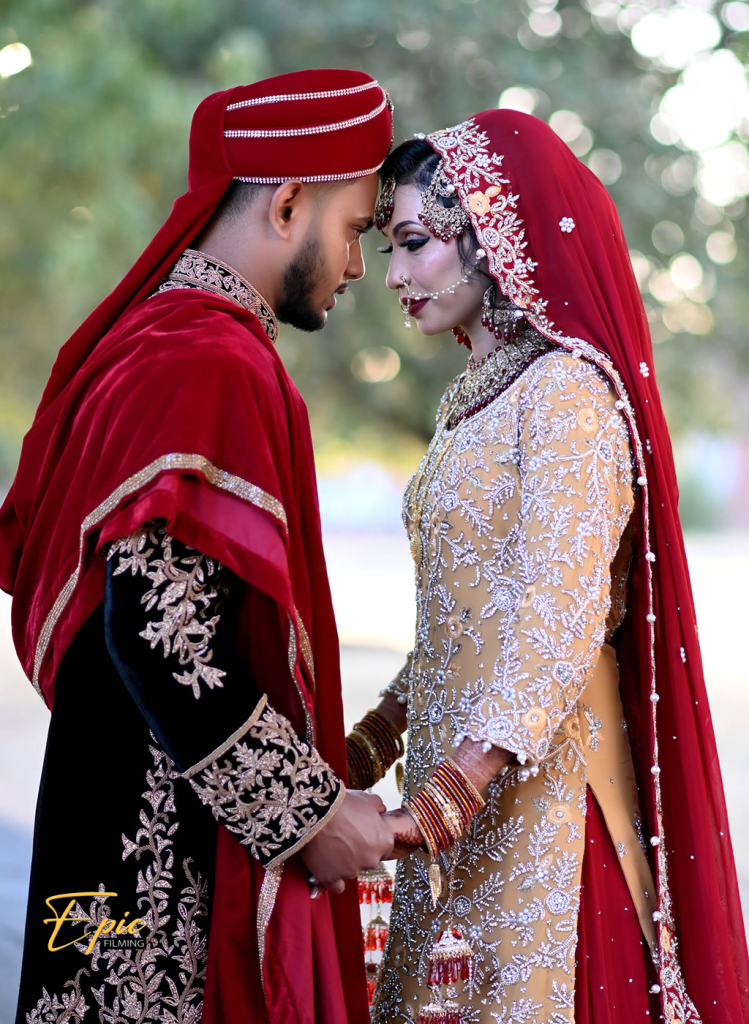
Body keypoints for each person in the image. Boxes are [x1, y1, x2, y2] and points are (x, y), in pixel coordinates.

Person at [0, 69, 396, 1024]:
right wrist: (307, 816)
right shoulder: (204, 359)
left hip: (110, 842)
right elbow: (160, 633)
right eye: (353, 229)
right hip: (157, 878)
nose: (355, 266)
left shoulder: (154, 342)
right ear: (288, 204)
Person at [343, 111, 749, 1024]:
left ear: (487, 234)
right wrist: (366, 746)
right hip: (455, 797)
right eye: (387, 248)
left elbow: (555, 621)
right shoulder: (469, 405)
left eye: (413, 243)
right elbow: (462, 628)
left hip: (544, 803)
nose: (394, 276)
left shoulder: (566, 392)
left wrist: (445, 799)